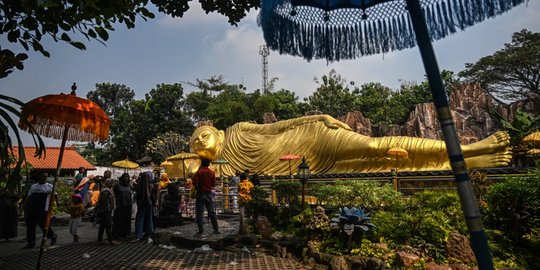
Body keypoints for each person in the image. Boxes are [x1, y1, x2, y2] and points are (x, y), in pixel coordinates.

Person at [188, 114, 511, 175]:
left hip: (313, 137)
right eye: (195, 143)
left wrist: (320, 117)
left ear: (215, 129)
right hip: (311, 166)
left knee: (374, 147)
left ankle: (469, 150)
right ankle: (468, 162)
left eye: (203, 134)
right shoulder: (223, 167)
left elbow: (277, 127)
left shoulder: (239, 130)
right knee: (374, 163)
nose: (200, 141)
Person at [22, 173, 57, 249]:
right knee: (30, 225)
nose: (44, 178)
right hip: (32, 208)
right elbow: (29, 196)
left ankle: (52, 236)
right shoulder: (34, 186)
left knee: (43, 225)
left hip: (43, 208)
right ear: (39, 177)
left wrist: (54, 205)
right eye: (43, 177)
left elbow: (55, 196)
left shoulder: (50, 186)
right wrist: (25, 206)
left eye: (46, 177)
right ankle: (31, 242)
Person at [192, 158, 220, 236]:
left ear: (201, 163)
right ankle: (216, 229)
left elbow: (194, 182)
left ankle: (201, 231)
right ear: (208, 164)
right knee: (211, 212)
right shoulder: (211, 172)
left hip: (200, 194)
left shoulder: (199, 172)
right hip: (209, 194)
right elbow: (213, 184)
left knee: (200, 213)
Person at [95, 178, 119, 245]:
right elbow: (103, 201)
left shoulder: (107, 189)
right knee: (108, 225)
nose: (112, 184)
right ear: (107, 183)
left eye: (112, 183)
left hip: (105, 210)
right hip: (105, 210)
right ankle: (110, 240)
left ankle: (99, 240)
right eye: (111, 183)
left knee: (102, 225)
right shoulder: (106, 191)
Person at [133, 171, 155, 241]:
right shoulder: (151, 185)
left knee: (140, 219)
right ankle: (148, 233)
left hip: (141, 203)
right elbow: (152, 196)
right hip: (149, 203)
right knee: (149, 218)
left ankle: (139, 235)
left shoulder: (138, 186)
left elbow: (136, 194)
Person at [112, 173, 132, 240]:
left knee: (127, 220)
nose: (126, 178)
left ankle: (125, 233)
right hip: (120, 205)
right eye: (125, 177)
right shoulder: (117, 185)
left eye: (127, 177)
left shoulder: (130, 185)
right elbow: (114, 193)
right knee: (119, 220)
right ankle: (117, 234)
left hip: (128, 205)